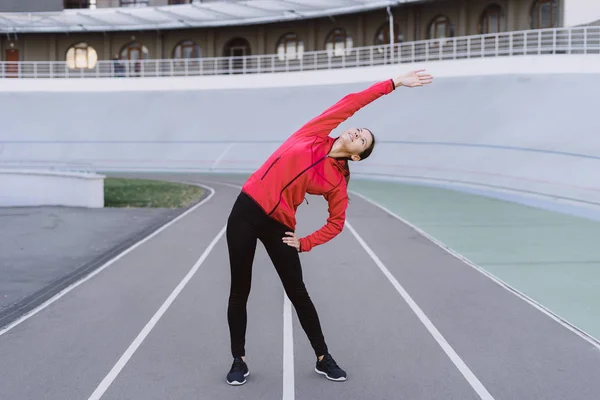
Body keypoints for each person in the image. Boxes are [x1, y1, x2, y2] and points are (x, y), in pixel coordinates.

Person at [225, 69, 434, 386]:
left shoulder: (337, 181)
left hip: (280, 224)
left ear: (357, 156)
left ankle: (324, 358)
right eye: (359, 131)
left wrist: (305, 242)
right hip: (246, 208)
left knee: (298, 293)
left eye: (362, 140)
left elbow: (336, 223)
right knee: (240, 289)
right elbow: (354, 102)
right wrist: (394, 83)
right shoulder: (314, 133)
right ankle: (238, 360)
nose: (357, 134)